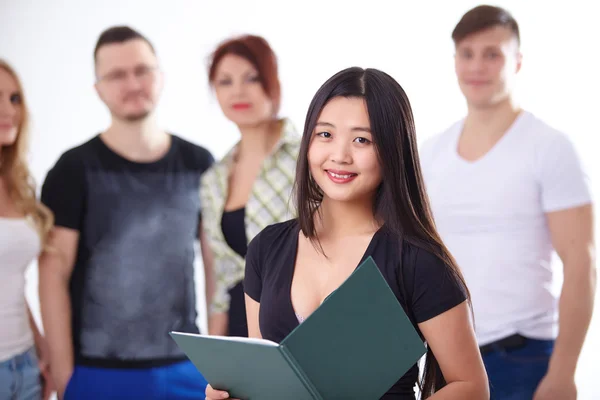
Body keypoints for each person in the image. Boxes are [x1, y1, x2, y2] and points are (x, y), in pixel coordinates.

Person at [206, 67, 490, 399]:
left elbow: (471, 387)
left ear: (391, 150)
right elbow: (262, 379)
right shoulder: (266, 248)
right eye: (325, 135)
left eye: (361, 140)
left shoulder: (417, 261)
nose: (339, 156)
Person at [419, 5, 595, 400]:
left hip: (523, 356)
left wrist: (563, 372)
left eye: (492, 54)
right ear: (454, 62)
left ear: (516, 62)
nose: (477, 66)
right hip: (445, 358)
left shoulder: (549, 147)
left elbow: (581, 264)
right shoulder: (430, 153)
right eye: (467, 54)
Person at [38, 26, 215, 400]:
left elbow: (218, 266)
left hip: (188, 367)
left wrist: (219, 362)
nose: (132, 84)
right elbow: (52, 274)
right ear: (98, 88)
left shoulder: (198, 163)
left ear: (161, 76)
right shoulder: (72, 169)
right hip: (98, 370)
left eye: (142, 70)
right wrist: (65, 374)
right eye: (116, 75)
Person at [201, 34, 300, 337]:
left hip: (299, 324)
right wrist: (215, 361)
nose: (238, 91)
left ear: (273, 84)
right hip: (238, 332)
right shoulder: (213, 179)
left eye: (252, 78)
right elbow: (222, 281)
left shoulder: (311, 157)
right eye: (225, 81)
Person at [0, 60, 54, 400]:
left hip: (25, 363)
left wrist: (40, 341)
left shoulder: (16, 185)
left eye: (14, 98)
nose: (9, 110)